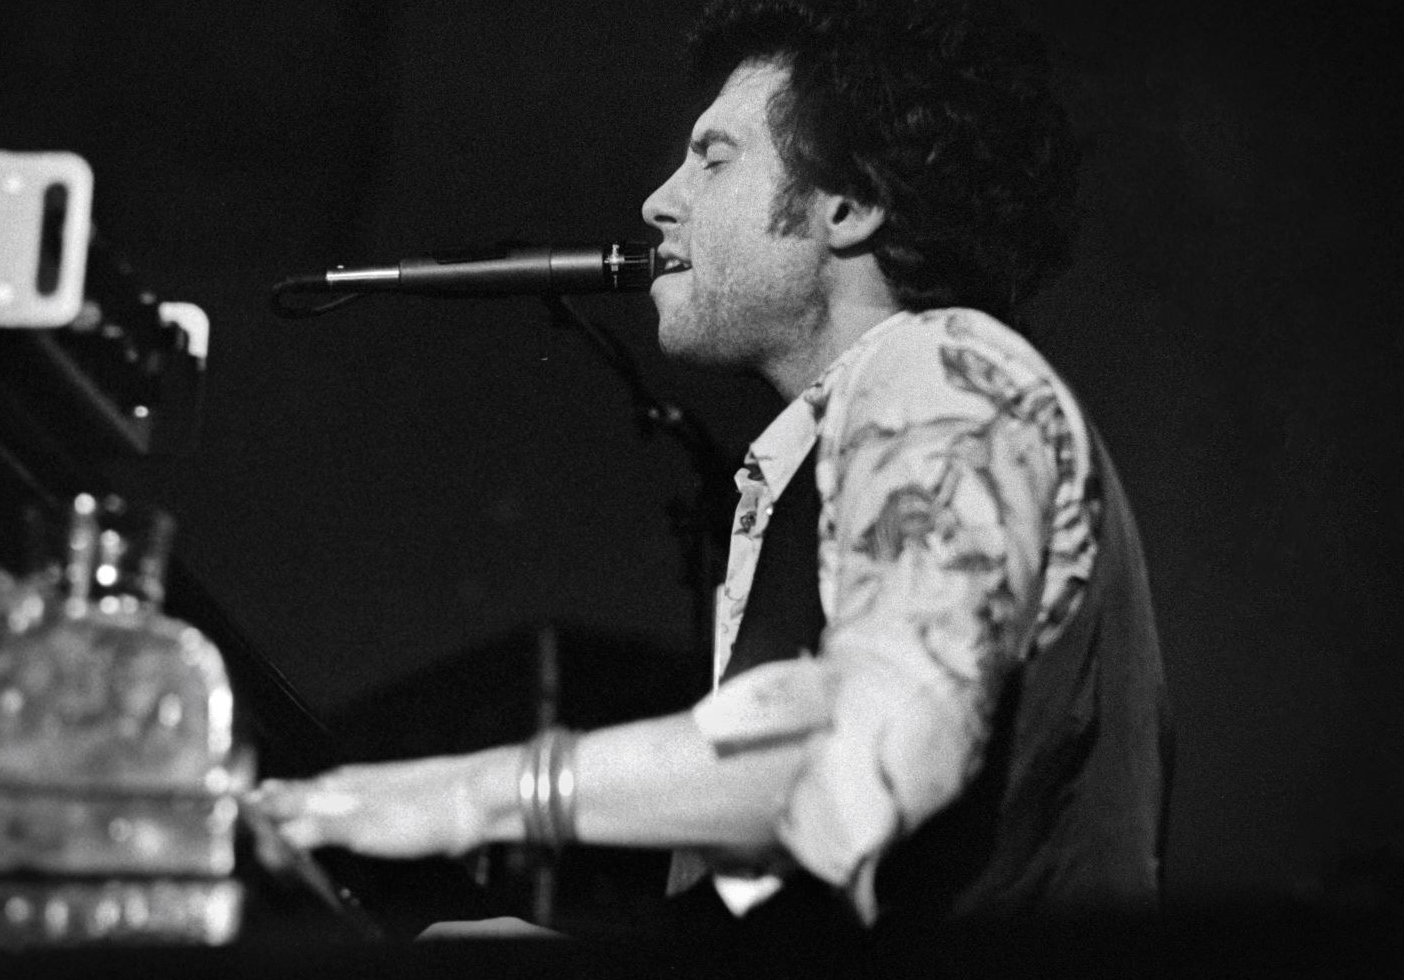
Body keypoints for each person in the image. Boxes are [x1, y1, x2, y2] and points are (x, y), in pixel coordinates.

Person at [251, 0, 1171, 959]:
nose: (660, 200)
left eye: (714, 158)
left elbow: (867, 753)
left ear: (850, 205)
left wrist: (467, 795)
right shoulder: (840, 438)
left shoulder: (942, 369)